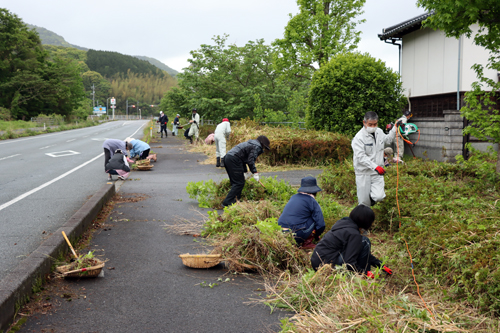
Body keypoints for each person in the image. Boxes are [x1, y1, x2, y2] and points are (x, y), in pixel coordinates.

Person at [310, 205, 393, 278]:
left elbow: (355, 250)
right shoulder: (354, 234)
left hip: (317, 263)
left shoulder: (343, 225)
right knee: (365, 241)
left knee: (361, 243)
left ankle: (361, 273)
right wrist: (364, 273)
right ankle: (361, 277)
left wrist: (380, 265)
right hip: (327, 265)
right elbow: (349, 262)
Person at [352, 111, 403, 206]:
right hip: (364, 173)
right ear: (364, 123)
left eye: (375, 124)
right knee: (363, 203)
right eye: (370, 124)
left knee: (379, 196)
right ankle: (364, 217)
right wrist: (375, 166)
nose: (373, 126)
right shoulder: (359, 138)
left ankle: (371, 199)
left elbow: (387, 140)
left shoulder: (379, 132)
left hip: (377, 171)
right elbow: (361, 157)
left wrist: (395, 128)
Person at [222, 135, 270, 207]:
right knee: (239, 183)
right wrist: (255, 172)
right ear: (262, 144)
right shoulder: (256, 147)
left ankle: (236, 201)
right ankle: (227, 203)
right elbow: (250, 161)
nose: (263, 148)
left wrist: (245, 171)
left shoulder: (251, 144)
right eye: (264, 147)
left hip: (228, 158)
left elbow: (243, 159)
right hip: (234, 159)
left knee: (236, 182)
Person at [278, 176, 326, 249]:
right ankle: (307, 243)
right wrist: (316, 235)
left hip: (280, 233)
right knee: (314, 219)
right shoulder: (312, 201)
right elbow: (321, 224)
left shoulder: (293, 197)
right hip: (296, 234)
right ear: (315, 191)